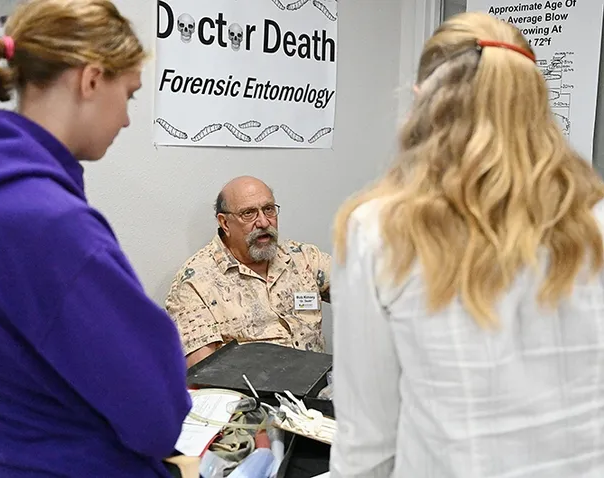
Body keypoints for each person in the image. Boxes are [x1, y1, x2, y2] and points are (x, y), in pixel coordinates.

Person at [329, 11, 604, 478]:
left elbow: (368, 450)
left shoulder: (379, 231)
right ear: (534, 105)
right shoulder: (595, 224)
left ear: (422, 102)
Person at [0, 1, 191, 476]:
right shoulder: (47, 224)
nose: (126, 119)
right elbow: (157, 417)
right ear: (91, 79)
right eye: (130, 94)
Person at [165, 176, 331, 368]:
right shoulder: (195, 283)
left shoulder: (304, 258)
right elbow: (203, 373)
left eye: (268, 209)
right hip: (252, 395)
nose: (263, 222)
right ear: (225, 223)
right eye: (249, 213)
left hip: (321, 389)